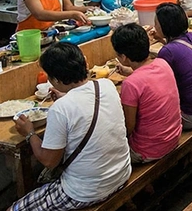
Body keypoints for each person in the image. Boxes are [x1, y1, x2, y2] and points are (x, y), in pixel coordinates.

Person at [10, 42, 130, 211]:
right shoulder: (106, 85)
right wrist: (65, 97)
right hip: (121, 174)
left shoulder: (60, 109)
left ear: (55, 80)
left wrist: (29, 133)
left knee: (14, 209)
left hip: (86, 191)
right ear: (84, 63)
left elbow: (49, 161)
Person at [111, 24, 182, 164]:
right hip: (173, 137)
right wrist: (131, 72)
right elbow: (146, 77)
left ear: (124, 57)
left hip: (148, 150)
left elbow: (128, 127)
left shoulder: (130, 84)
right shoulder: (162, 63)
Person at [150, 3, 192, 129]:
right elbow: (179, 50)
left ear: (165, 27)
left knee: (149, 112)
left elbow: (155, 83)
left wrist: (131, 72)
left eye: (156, 24)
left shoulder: (168, 52)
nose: (154, 26)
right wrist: (161, 40)